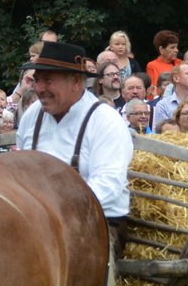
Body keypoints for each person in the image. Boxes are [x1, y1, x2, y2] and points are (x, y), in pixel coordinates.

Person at [16, 42, 134, 238]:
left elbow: (108, 185)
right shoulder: (33, 115)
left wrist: (54, 209)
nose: (39, 88)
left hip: (95, 221)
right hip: (37, 218)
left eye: (49, 80)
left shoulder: (105, 120)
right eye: (37, 80)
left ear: (76, 81)